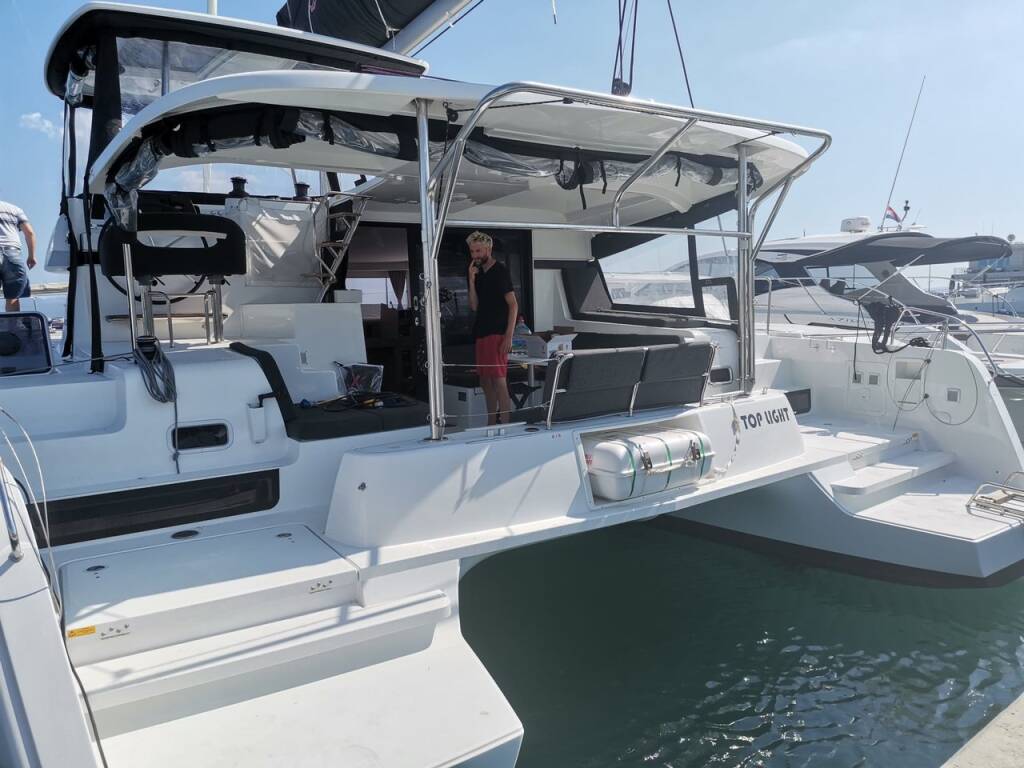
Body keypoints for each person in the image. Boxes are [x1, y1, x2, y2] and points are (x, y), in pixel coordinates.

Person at [467, 231, 518, 425]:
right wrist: (471, 280)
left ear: (488, 249)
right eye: (472, 252)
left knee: (498, 379)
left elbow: (513, 305)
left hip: (497, 333)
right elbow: (474, 306)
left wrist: (508, 337)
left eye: (478, 251)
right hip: (481, 332)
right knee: (485, 381)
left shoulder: (500, 271)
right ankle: (491, 423)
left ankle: (505, 425)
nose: (475, 255)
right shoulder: (478, 273)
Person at [0, 201, 36, 312]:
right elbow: (29, 233)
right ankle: (13, 322)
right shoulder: (15, 209)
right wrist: (31, 256)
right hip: (12, 254)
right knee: (13, 298)